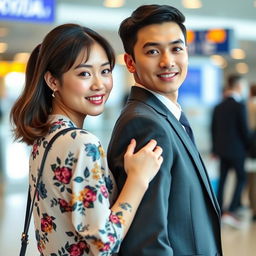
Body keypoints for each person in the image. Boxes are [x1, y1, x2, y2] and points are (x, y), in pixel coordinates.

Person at [9, 24, 163, 256]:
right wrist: (138, 179)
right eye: (84, 73)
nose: (99, 84)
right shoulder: (81, 143)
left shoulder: (45, 137)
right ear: (53, 81)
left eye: (105, 71)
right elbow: (105, 244)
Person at [107, 4, 222, 256]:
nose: (167, 61)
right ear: (130, 62)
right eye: (152, 51)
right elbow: (147, 242)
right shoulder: (146, 125)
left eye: (176, 48)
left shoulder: (166, 115)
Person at [211, 74, 250, 227]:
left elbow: (213, 129)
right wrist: (248, 147)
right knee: (241, 178)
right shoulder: (240, 106)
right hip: (238, 150)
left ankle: (219, 210)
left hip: (221, 150)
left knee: (223, 179)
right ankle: (231, 210)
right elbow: (244, 131)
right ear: (238, 86)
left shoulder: (218, 106)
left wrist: (215, 149)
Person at [246, 83, 256, 221]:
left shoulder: (246, 105)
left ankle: (252, 206)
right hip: (253, 146)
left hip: (248, 147)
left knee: (251, 180)